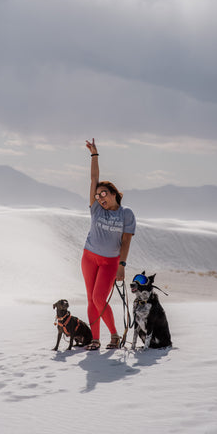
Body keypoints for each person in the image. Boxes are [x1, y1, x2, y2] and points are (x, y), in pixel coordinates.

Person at [81, 138, 136, 350]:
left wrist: (122, 265)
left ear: (114, 193)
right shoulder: (96, 208)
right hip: (89, 256)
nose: (100, 197)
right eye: (97, 195)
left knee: (98, 298)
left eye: (104, 193)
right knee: (90, 299)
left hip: (110, 262)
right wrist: (94, 155)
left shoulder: (126, 214)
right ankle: (95, 339)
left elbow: (126, 241)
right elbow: (94, 178)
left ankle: (114, 335)